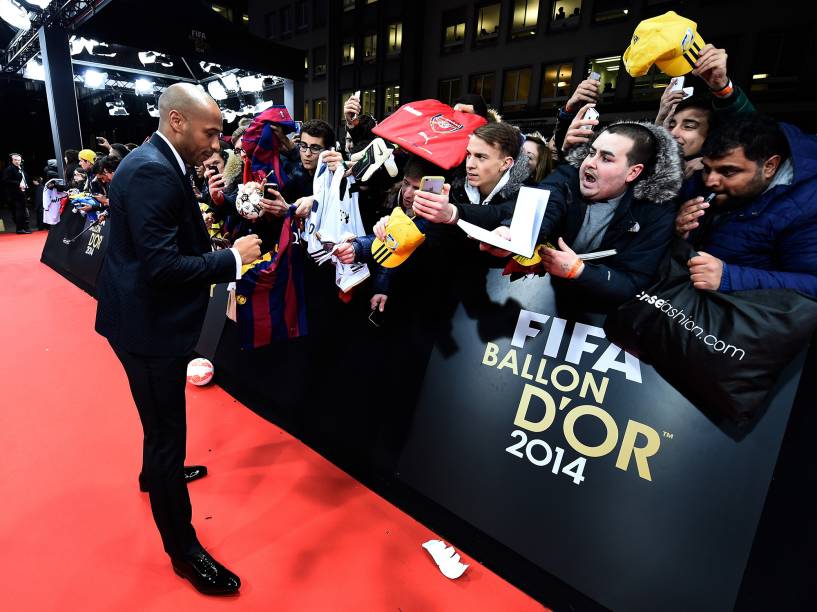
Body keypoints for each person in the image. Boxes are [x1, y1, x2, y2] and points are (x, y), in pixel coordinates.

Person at [95, 83, 262, 595]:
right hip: (148, 330)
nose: (217, 143)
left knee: (158, 427)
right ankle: (184, 552)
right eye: (211, 132)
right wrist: (234, 258)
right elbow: (163, 266)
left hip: (139, 319)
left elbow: (163, 241)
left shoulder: (153, 160)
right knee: (167, 436)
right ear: (177, 122)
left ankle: (152, 476)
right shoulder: (150, 169)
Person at [444, 122, 683, 311]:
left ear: (633, 172)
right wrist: (512, 234)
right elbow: (545, 203)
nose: (590, 164)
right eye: (591, 153)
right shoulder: (567, 176)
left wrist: (580, 271)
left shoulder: (656, 210)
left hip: (602, 320)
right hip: (543, 303)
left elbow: (634, 281)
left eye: (606, 158)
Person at [676, 113, 817, 296]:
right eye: (707, 168)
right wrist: (677, 230)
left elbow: (812, 283)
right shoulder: (700, 184)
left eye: (727, 171)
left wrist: (730, 278)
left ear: (769, 167)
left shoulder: (804, 208)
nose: (711, 181)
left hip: (746, 313)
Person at [2, 153, 32, 234]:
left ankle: (25, 228)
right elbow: (5, 180)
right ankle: (19, 229)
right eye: (15, 160)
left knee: (23, 212)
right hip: (15, 194)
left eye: (18, 160)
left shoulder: (21, 168)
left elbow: (25, 179)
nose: (17, 161)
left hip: (23, 193)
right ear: (12, 160)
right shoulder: (9, 169)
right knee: (19, 212)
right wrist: (18, 183)